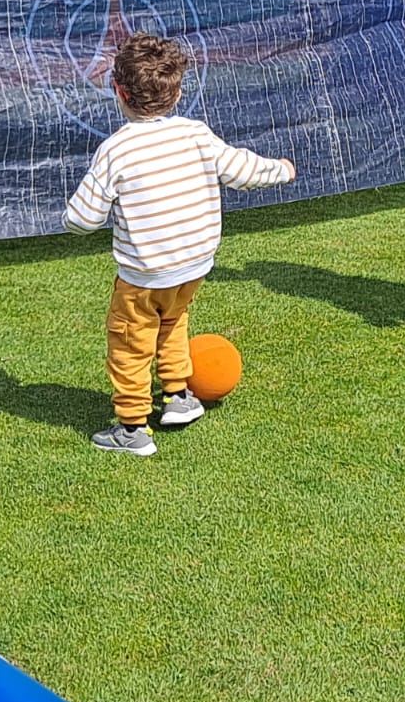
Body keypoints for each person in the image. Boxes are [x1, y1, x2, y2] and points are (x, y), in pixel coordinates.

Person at [64, 33, 296, 455]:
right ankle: (178, 396)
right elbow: (243, 169)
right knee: (172, 324)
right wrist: (280, 169)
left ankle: (132, 427)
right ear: (179, 91)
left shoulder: (116, 150)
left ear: (118, 91)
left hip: (144, 274)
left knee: (131, 343)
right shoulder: (197, 135)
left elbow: (83, 218)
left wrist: (72, 217)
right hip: (195, 266)